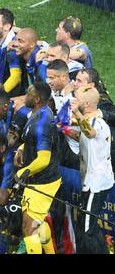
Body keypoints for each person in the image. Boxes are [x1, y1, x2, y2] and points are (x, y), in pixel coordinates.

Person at [14, 82, 62, 254]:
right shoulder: (37, 113)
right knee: (37, 222)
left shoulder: (42, 123)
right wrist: (22, 148)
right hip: (37, 179)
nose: (24, 95)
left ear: (36, 99)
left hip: (43, 181)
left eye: (28, 93)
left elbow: (43, 159)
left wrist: (23, 172)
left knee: (28, 227)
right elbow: (31, 140)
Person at [70, 86, 114, 254]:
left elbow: (90, 133)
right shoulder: (88, 119)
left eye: (77, 100)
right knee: (88, 224)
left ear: (86, 104)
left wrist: (76, 113)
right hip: (90, 180)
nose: (74, 102)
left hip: (96, 182)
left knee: (87, 229)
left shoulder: (99, 123)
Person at [0, 8, 27, 97]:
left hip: (12, 97)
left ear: (7, 27)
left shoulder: (13, 49)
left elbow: (16, 77)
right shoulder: (0, 42)